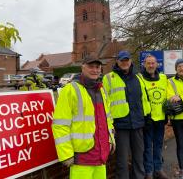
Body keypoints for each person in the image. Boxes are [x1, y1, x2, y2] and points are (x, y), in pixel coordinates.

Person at [52, 54, 115, 179]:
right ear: (82, 67)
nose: (95, 70)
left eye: (97, 67)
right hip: (82, 158)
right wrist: (66, 154)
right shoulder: (70, 90)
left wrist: (111, 139)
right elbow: (60, 124)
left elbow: (107, 118)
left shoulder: (101, 89)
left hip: (101, 154)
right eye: (91, 66)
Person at [102, 50, 151, 179]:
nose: (125, 63)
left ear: (130, 61)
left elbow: (144, 99)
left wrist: (147, 117)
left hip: (138, 124)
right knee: (122, 160)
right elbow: (104, 103)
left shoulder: (138, 77)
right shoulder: (108, 78)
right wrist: (109, 125)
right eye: (122, 60)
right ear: (117, 62)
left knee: (138, 157)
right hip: (120, 125)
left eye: (127, 60)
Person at [140, 55, 169, 179]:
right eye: (148, 63)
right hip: (148, 119)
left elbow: (167, 96)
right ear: (144, 64)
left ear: (157, 64)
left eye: (153, 63)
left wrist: (167, 115)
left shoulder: (163, 78)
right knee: (147, 147)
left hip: (160, 119)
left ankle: (158, 169)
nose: (151, 65)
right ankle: (149, 171)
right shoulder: (140, 78)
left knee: (158, 145)